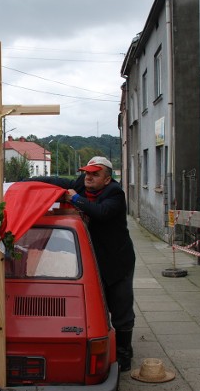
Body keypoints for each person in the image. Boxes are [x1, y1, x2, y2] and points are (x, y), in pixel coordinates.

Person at [29, 156, 136, 371]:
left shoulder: (115, 193)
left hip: (116, 260)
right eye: (87, 173)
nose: (88, 177)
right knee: (97, 303)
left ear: (107, 179)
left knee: (120, 306)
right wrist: (27, 181)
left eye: (94, 174)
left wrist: (76, 199)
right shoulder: (81, 184)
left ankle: (125, 352)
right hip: (92, 259)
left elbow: (102, 213)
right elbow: (58, 181)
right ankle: (101, 340)